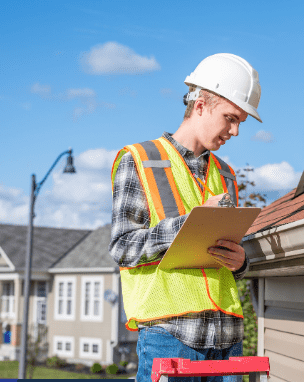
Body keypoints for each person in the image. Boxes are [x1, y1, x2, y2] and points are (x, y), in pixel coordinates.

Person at [109, 53, 262, 382]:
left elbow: (222, 258)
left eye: (240, 123)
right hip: (171, 338)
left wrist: (240, 263)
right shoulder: (139, 159)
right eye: (230, 118)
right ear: (201, 104)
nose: (234, 131)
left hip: (228, 339)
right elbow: (122, 247)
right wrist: (187, 225)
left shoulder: (226, 175)